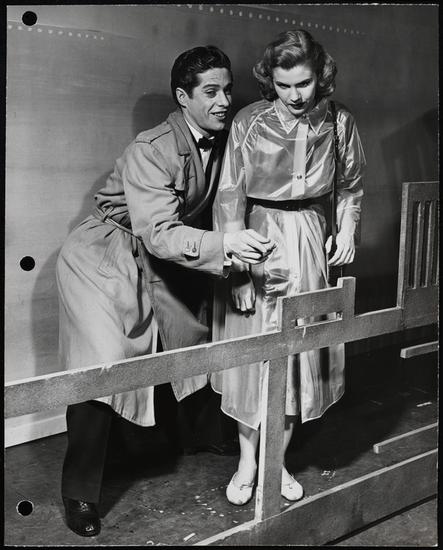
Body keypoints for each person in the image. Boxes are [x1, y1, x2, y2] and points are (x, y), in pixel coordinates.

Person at [56, 45, 274, 537]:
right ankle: (79, 493)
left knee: (193, 336)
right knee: (101, 367)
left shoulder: (228, 137)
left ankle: (200, 436)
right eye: (210, 92)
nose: (224, 101)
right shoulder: (150, 149)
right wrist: (227, 244)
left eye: (227, 90)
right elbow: (157, 232)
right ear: (183, 97)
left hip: (162, 256)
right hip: (103, 255)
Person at [211, 29, 365, 506]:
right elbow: (230, 194)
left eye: (303, 84)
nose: (295, 95)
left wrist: (346, 228)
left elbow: (352, 185)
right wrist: (238, 270)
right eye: (284, 85)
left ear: (320, 76)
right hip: (258, 235)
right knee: (251, 357)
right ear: (270, 81)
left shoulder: (339, 121)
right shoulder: (249, 121)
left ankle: (275, 462)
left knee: (298, 356)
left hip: (309, 239)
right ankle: (247, 463)